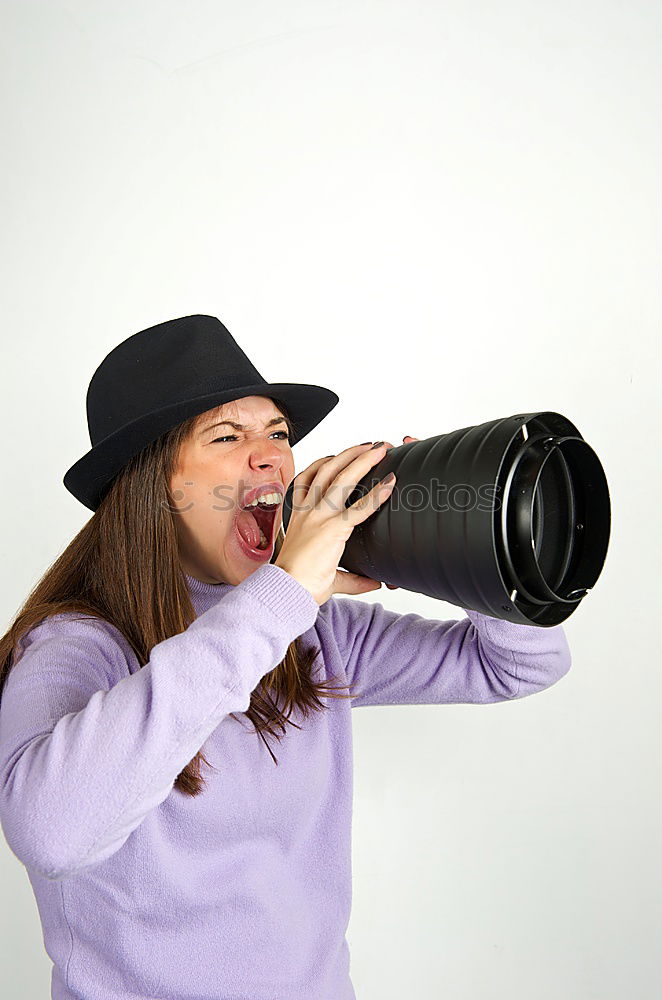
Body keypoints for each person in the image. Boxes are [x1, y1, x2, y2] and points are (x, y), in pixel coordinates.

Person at [0, 314, 572, 1000]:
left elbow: (518, 664)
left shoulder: (313, 633)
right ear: (153, 486)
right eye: (227, 436)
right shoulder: (74, 648)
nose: (272, 456)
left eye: (277, 434)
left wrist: (462, 540)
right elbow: (52, 833)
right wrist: (284, 594)